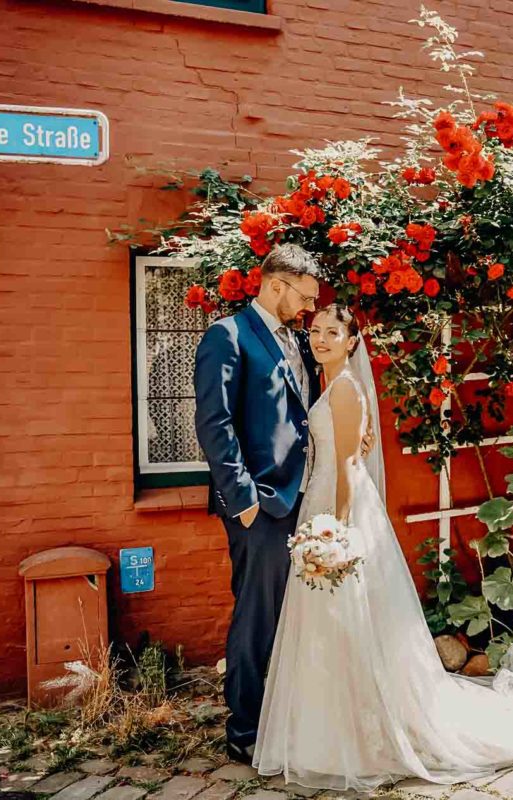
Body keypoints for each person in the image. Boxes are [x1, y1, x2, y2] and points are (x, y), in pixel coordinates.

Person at [252, 304, 513, 793]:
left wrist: (334, 530)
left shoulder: (347, 391)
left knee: (349, 619)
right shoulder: (327, 386)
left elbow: (349, 467)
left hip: (339, 513)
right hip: (320, 506)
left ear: (352, 341)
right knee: (326, 623)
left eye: (333, 332)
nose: (320, 339)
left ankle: (363, 731)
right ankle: (322, 731)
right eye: (314, 331)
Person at [192, 243, 323, 765]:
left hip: (300, 499)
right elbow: (214, 423)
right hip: (260, 506)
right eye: (306, 297)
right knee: (256, 616)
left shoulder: (293, 339)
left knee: (292, 614)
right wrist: (242, 499)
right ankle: (244, 727)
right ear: (276, 285)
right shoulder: (227, 335)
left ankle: (281, 714)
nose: (310, 308)